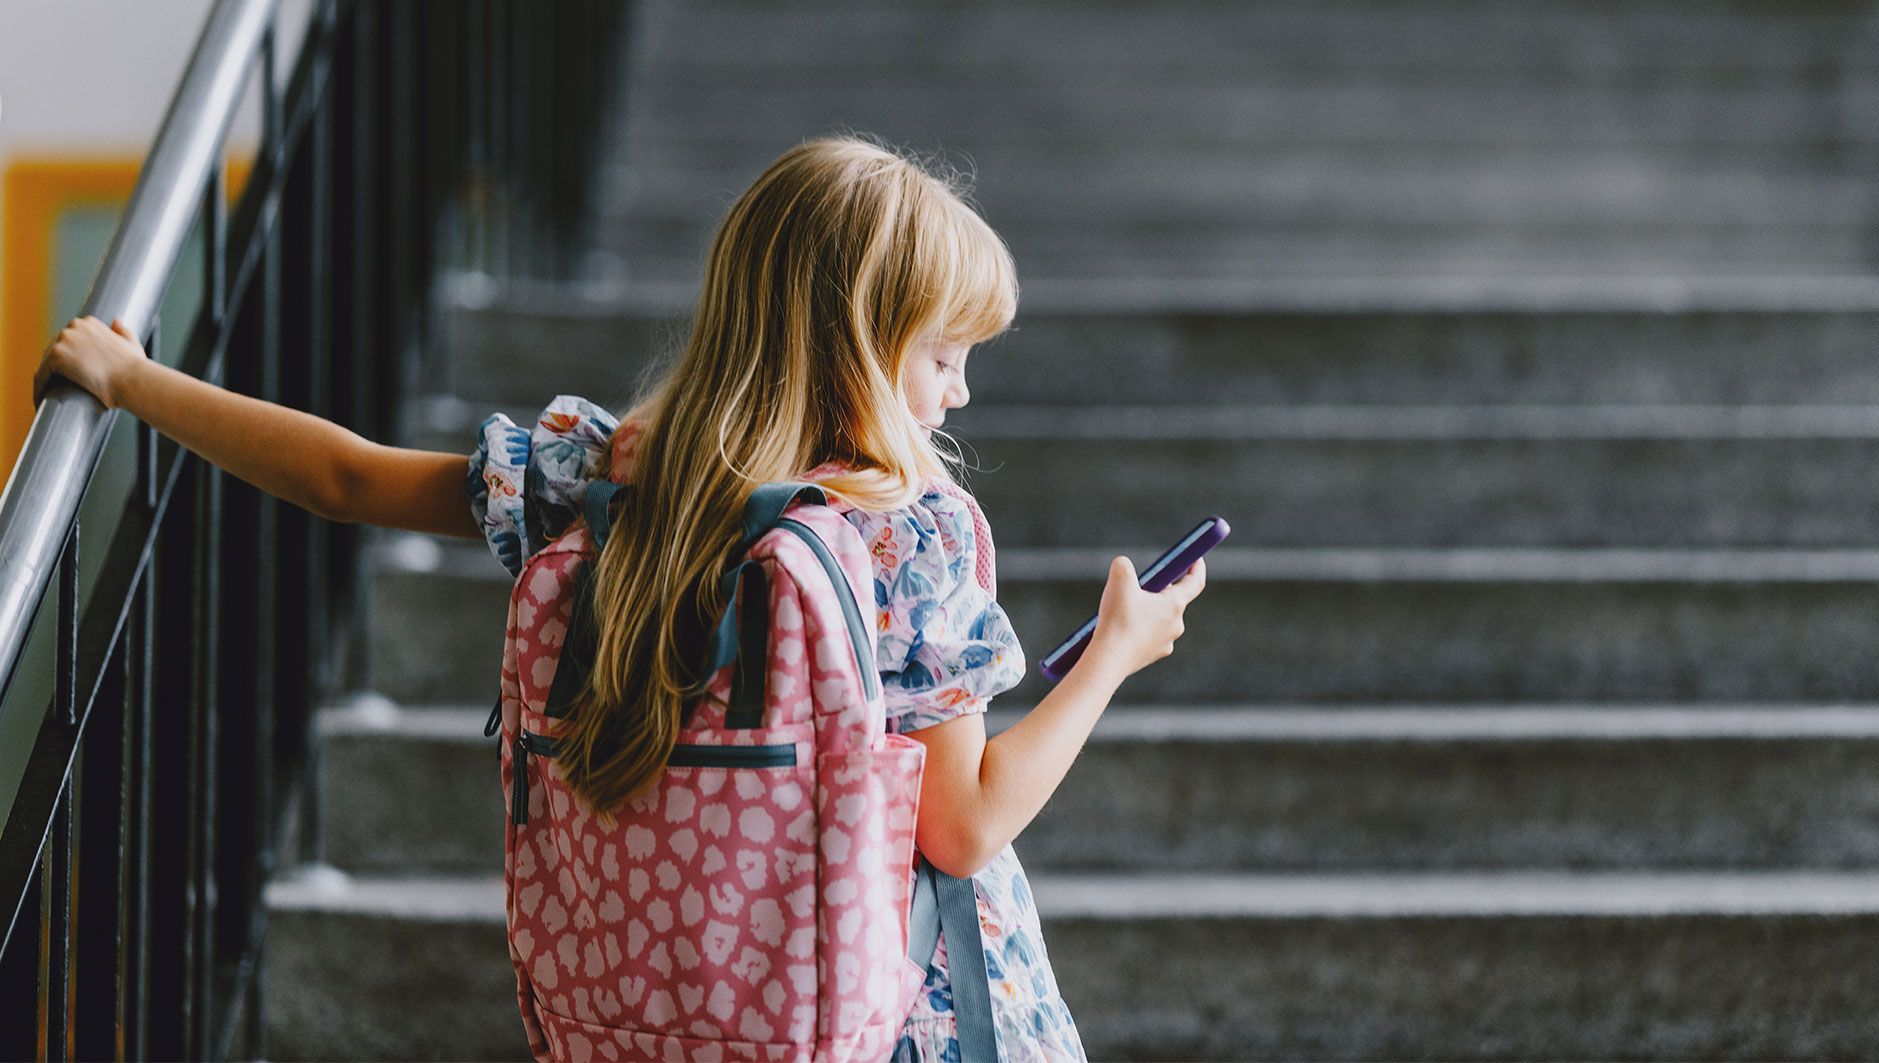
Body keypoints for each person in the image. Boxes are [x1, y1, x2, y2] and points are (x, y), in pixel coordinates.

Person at [36, 135, 1207, 1061]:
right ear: (858, 341)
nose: (957, 394)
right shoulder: (904, 530)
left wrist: (134, 380)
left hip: (674, 1010)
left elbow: (346, 477)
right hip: (896, 1011)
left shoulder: (601, 480)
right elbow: (965, 824)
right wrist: (1113, 652)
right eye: (944, 355)